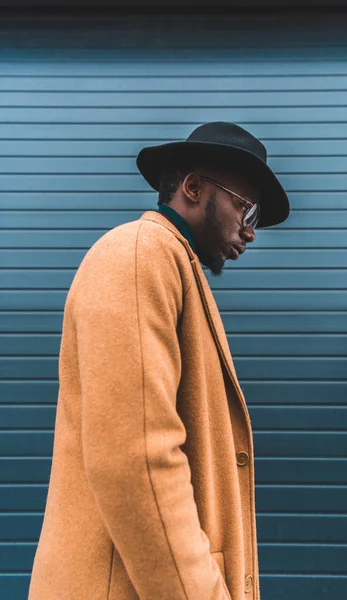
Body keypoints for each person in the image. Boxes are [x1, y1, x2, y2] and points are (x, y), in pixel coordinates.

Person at [28, 122, 289, 600]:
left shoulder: (174, 268)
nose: (250, 231)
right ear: (192, 188)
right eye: (244, 207)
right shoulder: (138, 256)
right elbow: (137, 462)